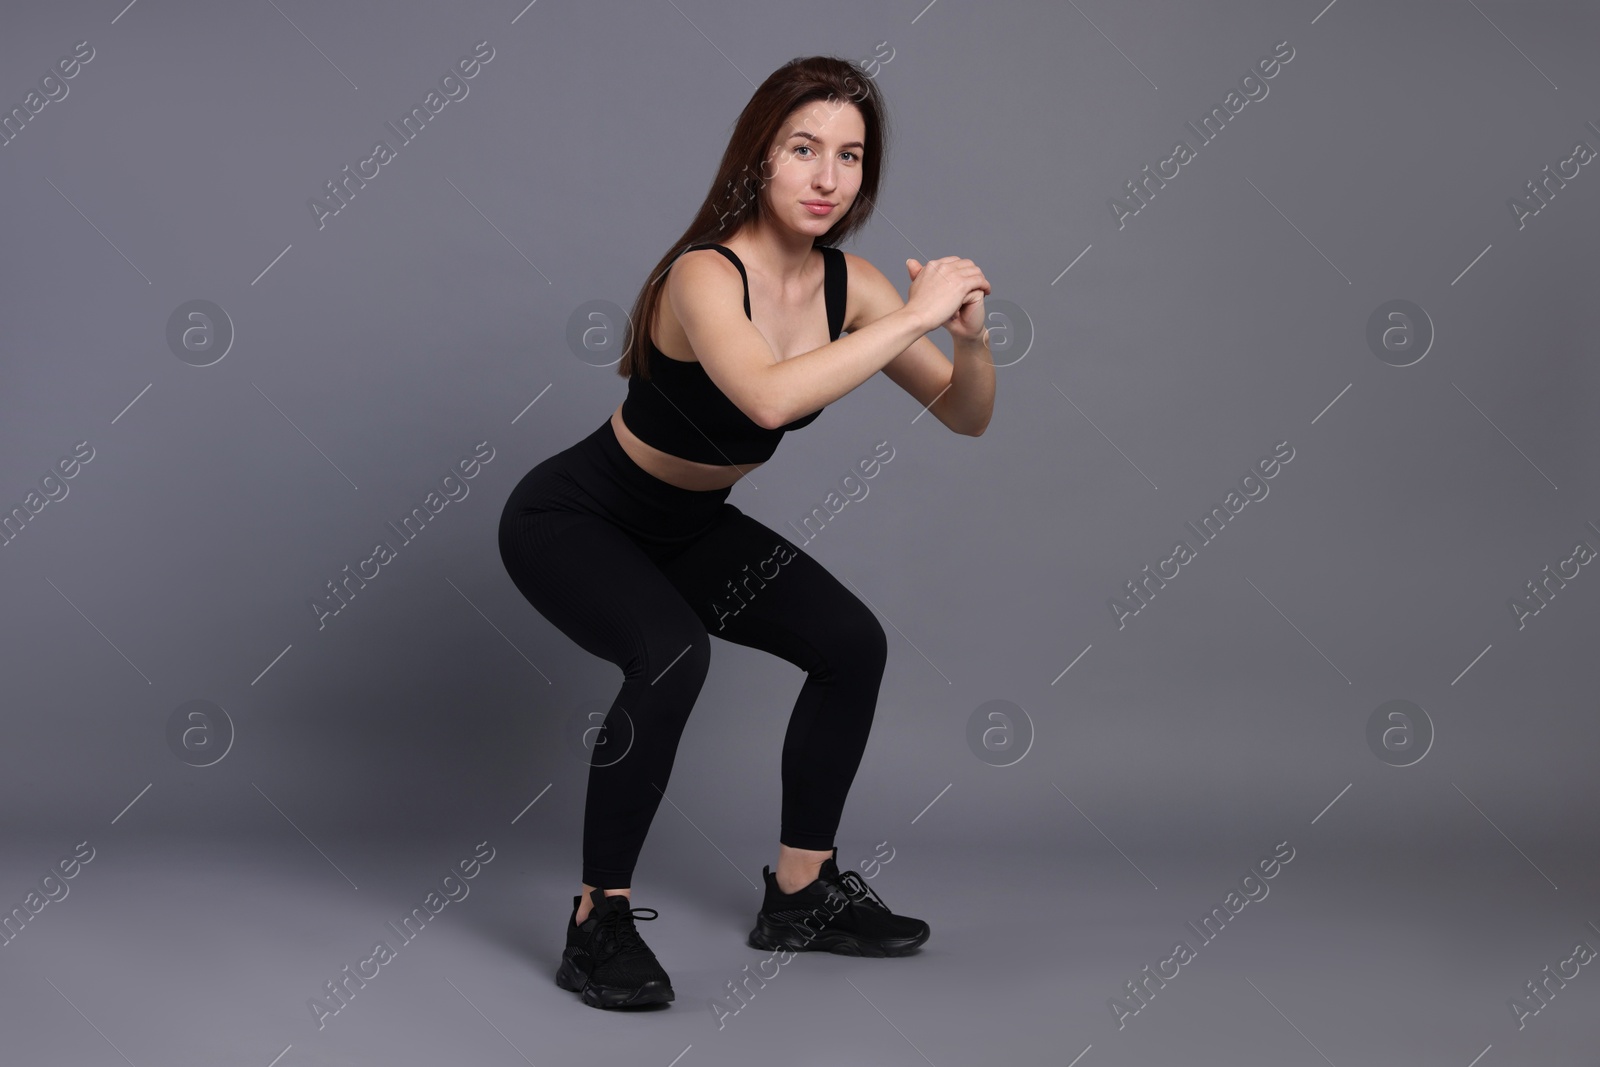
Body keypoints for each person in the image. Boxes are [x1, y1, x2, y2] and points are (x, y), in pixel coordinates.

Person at [497, 54, 994, 1010]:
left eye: (849, 157)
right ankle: (596, 922)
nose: (825, 177)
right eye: (803, 149)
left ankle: (801, 897)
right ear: (757, 161)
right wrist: (914, 318)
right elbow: (766, 394)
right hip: (575, 516)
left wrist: (965, 339)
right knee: (673, 655)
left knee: (852, 643)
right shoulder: (702, 274)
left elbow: (966, 415)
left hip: (688, 525)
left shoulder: (854, 287)